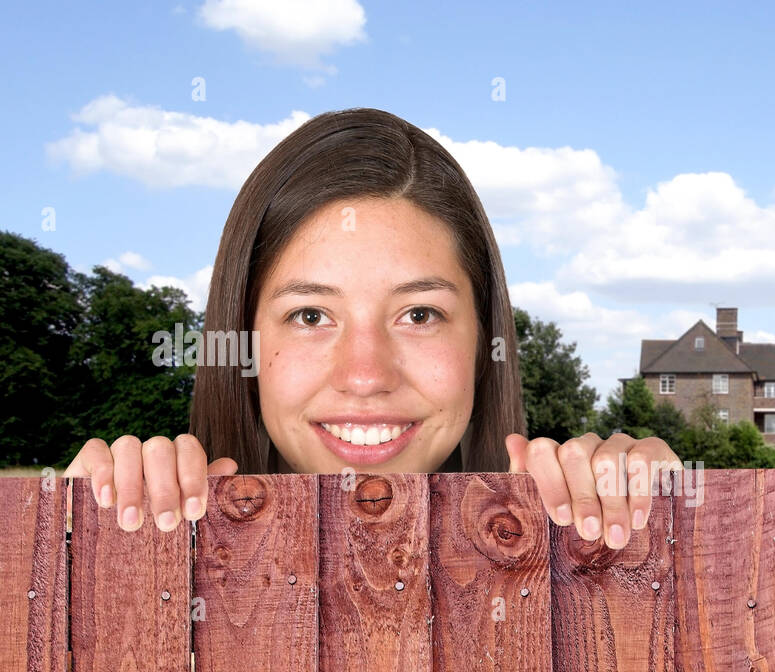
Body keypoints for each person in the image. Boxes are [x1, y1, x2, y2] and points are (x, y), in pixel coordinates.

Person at [63, 107, 680, 550]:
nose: (365, 376)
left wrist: (667, 532)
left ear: (483, 343)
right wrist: (59, 552)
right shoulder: (145, 548)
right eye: (310, 316)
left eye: (419, 315)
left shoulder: (580, 552)